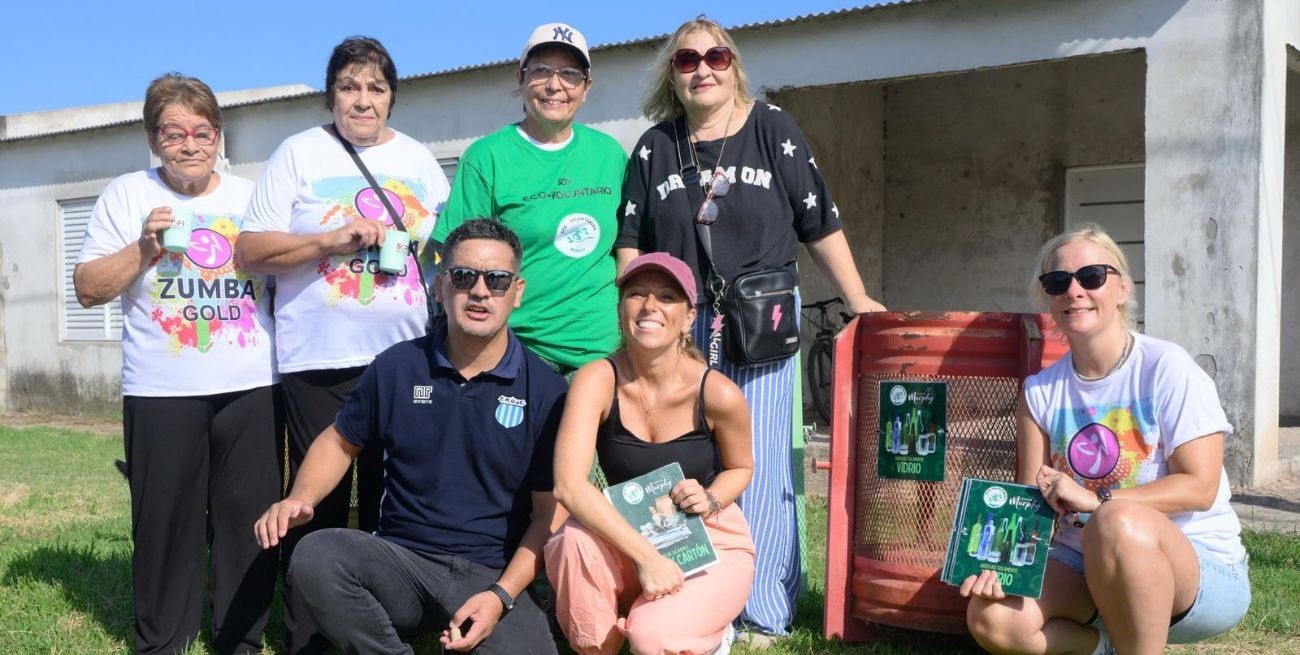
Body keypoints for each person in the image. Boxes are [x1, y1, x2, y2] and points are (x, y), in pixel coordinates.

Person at [615, 17, 886, 641]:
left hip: (761, 327)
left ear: (734, 64)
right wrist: (632, 324)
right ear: (672, 75)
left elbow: (818, 221)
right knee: (690, 464)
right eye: (686, 60)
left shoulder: (774, 130)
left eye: (714, 56)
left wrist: (858, 295)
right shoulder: (655, 146)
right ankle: (695, 587)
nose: (702, 68)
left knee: (756, 465)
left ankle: (765, 609)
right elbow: (629, 248)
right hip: (682, 329)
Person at [253, 219, 565, 654]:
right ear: (440, 286)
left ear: (517, 291)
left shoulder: (547, 390)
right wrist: (299, 497)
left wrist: (500, 597)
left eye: (496, 280)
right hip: (401, 562)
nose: (478, 291)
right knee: (317, 555)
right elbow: (340, 441)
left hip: (492, 573)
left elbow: (547, 516)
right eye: (463, 276)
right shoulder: (397, 366)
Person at [237, 36, 450, 652]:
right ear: (330, 94)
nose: (363, 100)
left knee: (395, 501)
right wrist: (328, 242)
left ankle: (385, 630)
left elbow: (445, 251)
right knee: (318, 506)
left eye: (376, 88)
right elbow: (250, 250)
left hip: (405, 356)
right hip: (318, 360)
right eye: (349, 87)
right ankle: (309, 638)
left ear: (392, 98)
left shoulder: (416, 160)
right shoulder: (298, 153)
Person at [961, 225, 1251, 655]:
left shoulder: (1166, 368)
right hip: (1084, 565)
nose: (1074, 291)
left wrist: (1100, 502)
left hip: (1196, 572)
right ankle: (1106, 646)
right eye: (1058, 282)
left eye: (1092, 276)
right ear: (1048, 298)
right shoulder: (1039, 392)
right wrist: (999, 567)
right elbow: (1029, 507)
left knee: (1116, 521)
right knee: (991, 618)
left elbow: (1200, 487)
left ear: (1120, 288)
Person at [73, 73, 279, 654]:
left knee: (249, 522)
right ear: (152, 138)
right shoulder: (127, 194)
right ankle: (163, 640)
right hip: (161, 388)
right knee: (164, 523)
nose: (190, 144)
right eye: (174, 133)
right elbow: (88, 288)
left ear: (219, 135)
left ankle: (239, 638)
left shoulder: (250, 196)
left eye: (202, 131)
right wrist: (144, 249)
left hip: (250, 384)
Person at [547, 252, 756, 655]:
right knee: (572, 542)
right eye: (637, 294)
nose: (650, 307)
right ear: (621, 307)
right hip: (627, 535)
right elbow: (569, 486)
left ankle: (703, 632)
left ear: (689, 317)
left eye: (666, 297)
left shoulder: (718, 392)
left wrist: (710, 497)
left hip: (704, 537)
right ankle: (601, 644)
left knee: (652, 638)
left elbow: (742, 467)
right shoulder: (596, 379)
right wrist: (647, 558)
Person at [432, 22, 625, 376]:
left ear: (587, 88)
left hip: (605, 358)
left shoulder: (610, 155)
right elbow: (457, 262)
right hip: (518, 357)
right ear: (520, 79)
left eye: (570, 74)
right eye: (541, 72)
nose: (555, 85)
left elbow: (628, 247)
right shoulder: (487, 157)